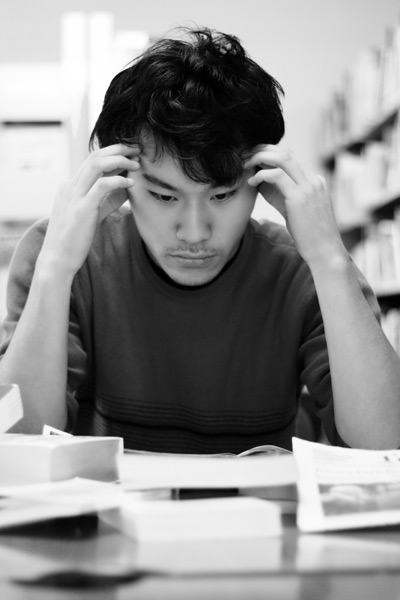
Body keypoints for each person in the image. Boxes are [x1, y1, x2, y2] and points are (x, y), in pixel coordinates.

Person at [0, 27, 399, 452]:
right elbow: (18, 448)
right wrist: (55, 269)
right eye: (164, 196)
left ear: (263, 179)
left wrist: (330, 260)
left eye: (222, 195)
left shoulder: (308, 268)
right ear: (118, 178)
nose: (194, 233)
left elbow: (386, 448)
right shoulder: (60, 254)